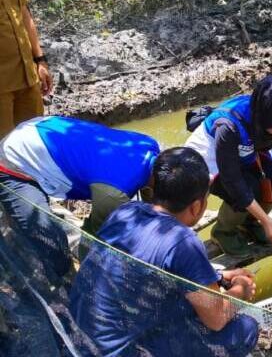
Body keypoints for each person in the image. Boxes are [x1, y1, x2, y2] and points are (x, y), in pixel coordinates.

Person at [70, 147, 259, 357]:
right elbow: (216, 319)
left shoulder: (126, 212)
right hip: (123, 351)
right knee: (245, 328)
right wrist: (241, 290)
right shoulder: (183, 241)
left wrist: (219, 277)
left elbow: (151, 264)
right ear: (197, 206)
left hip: (79, 340)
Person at [0, 116, 160, 276]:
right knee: (50, 241)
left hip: (45, 130)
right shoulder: (113, 193)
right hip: (15, 160)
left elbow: (153, 205)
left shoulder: (149, 145)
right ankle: (63, 280)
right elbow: (98, 242)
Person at [185, 76, 272, 257]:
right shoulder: (228, 125)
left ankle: (251, 223)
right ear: (262, 119)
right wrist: (266, 219)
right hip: (210, 163)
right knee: (246, 190)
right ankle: (224, 232)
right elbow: (232, 180)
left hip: (245, 153)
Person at [0, 0, 53, 138]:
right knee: (4, 153)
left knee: (35, 143)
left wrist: (40, 60)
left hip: (27, 77)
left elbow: (23, 13)